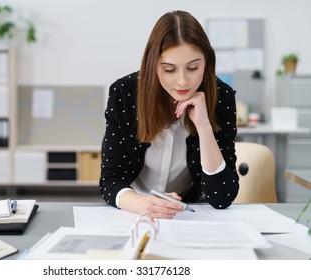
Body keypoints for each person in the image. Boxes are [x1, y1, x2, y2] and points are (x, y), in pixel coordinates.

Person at [99, 10, 239, 219]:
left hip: (189, 214)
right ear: (152, 65)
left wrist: (204, 126)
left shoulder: (221, 96)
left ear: (206, 62)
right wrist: (146, 204)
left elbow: (222, 197)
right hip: (133, 210)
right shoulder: (125, 93)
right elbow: (110, 180)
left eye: (193, 68)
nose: (182, 81)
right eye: (169, 69)